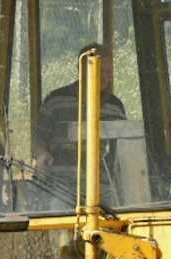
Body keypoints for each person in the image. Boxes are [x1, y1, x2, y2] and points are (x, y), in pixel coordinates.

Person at [31, 42, 127, 174]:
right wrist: (41, 155)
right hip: (58, 186)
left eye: (109, 71)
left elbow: (122, 151)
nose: (105, 77)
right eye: (100, 71)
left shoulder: (115, 107)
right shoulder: (55, 101)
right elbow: (38, 139)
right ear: (81, 69)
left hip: (102, 188)